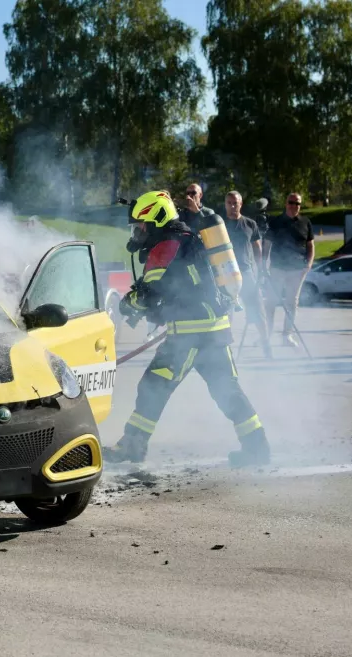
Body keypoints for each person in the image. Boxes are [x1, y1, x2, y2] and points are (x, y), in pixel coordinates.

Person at [104, 190, 271, 468]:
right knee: (227, 391)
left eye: (140, 225)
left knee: (152, 386)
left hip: (190, 334)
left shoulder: (167, 245)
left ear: (156, 219)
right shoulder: (186, 239)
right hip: (215, 329)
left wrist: (127, 304)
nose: (137, 232)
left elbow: (147, 294)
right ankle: (258, 447)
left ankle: (132, 446)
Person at [224, 190, 272, 358]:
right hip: (226, 274)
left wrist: (260, 272)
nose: (232, 206)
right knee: (226, 313)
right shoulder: (220, 224)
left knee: (258, 309)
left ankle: (266, 346)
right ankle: (226, 350)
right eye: (229, 203)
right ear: (225, 204)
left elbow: (257, 250)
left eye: (235, 203)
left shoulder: (250, 224)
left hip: (246, 272)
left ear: (240, 204)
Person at [263, 193, 314, 348]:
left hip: (297, 270)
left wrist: (308, 265)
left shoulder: (305, 222)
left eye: (297, 203)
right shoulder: (276, 221)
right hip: (277, 268)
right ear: (286, 204)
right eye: (291, 203)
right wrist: (263, 266)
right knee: (271, 302)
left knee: (292, 303)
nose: (294, 206)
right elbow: (266, 245)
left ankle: (287, 335)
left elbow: (310, 245)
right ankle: (267, 335)